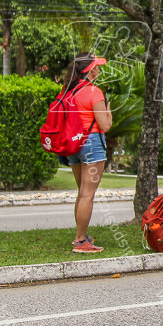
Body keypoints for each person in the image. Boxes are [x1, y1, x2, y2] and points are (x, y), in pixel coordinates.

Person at [56, 53, 113, 253]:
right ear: (89, 71)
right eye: (97, 66)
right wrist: (109, 113)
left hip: (72, 144)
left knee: (82, 193)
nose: (99, 70)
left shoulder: (68, 91)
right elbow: (104, 126)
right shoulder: (94, 92)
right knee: (88, 194)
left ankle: (81, 235)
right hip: (91, 144)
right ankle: (81, 241)